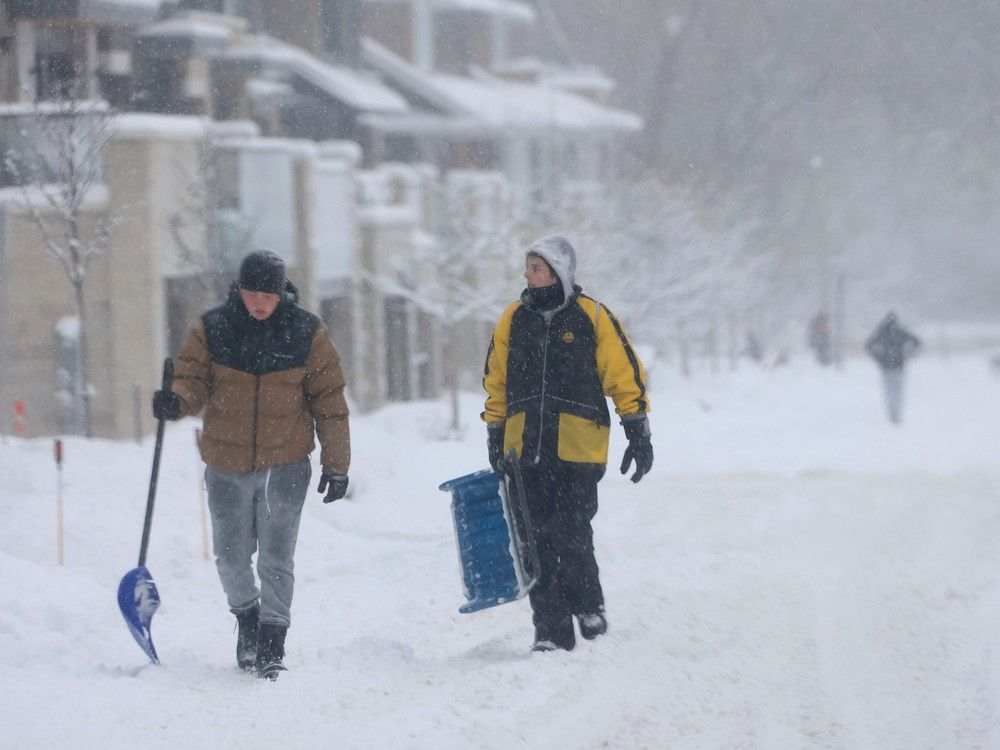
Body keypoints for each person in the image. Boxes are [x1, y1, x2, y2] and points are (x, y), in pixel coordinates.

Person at [152, 250, 350, 679]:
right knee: (230, 557)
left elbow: (330, 402)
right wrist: (175, 400)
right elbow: (191, 380)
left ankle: (272, 642)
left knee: (277, 558)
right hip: (226, 460)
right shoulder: (214, 329)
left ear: (282, 293)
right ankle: (247, 619)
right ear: (238, 290)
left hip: (286, 462)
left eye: (268, 294)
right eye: (251, 292)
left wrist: (337, 465)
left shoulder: (306, 332)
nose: (259, 302)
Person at [482, 235, 653, 653]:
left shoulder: (591, 316)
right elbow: (496, 381)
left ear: (558, 271)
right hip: (525, 449)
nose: (527, 274)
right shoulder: (512, 320)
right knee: (533, 540)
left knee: (572, 532)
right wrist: (495, 430)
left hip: (578, 448)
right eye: (527, 266)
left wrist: (637, 429)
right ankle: (550, 629)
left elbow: (623, 374)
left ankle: (588, 605)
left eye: (536, 267)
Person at [864, 311, 921, 424]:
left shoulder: (881, 332)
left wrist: (879, 357)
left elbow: (869, 345)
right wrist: (909, 354)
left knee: (889, 391)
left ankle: (892, 413)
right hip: (898, 365)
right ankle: (896, 413)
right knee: (898, 391)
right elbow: (917, 341)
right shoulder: (900, 331)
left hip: (886, 367)